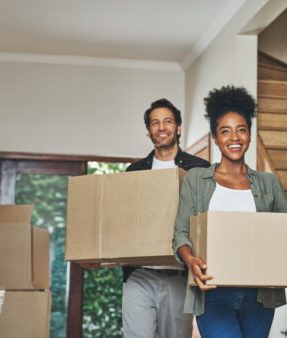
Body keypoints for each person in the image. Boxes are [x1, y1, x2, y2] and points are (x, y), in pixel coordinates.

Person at [172, 86, 287, 338]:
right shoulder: (196, 180)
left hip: (260, 295)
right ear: (215, 137)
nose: (234, 137)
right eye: (225, 131)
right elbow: (181, 234)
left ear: (250, 135)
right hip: (212, 292)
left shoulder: (268, 183)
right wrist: (191, 260)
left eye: (241, 130)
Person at [85, 98, 210, 338]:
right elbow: (120, 223)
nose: (161, 127)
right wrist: (98, 256)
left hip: (179, 275)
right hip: (139, 275)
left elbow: (207, 222)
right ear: (149, 131)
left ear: (178, 128)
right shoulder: (134, 172)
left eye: (167, 121)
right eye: (155, 123)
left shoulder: (200, 170)